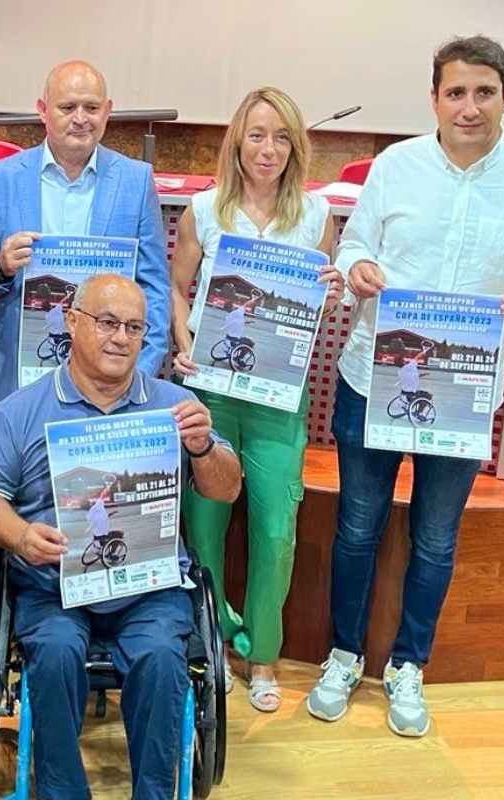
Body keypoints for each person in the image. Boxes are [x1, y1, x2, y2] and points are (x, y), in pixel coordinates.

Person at [307, 35, 504, 737]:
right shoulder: (395, 166)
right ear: (433, 98)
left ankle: (407, 666)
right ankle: (342, 654)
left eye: (482, 92)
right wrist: (360, 267)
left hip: (460, 391)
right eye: (454, 92)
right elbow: (354, 245)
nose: (468, 106)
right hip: (372, 377)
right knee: (357, 529)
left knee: (433, 538)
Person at [0, 274, 242, 799]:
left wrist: (205, 448)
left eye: (134, 327)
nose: (120, 338)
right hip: (55, 585)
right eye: (107, 322)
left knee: (163, 658)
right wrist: (22, 536)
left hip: (147, 588)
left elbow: (227, 490)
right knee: (54, 655)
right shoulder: (22, 409)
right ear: (72, 322)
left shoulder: (174, 404)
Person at [170, 87, 343, 713]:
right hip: (211, 390)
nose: (267, 150)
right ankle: (213, 635)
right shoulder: (205, 210)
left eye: (280, 138)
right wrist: (183, 339)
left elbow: (323, 299)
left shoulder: (317, 215)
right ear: (236, 143)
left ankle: (262, 653)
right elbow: (177, 287)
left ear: (296, 147)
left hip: (277, 397)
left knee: (275, 529)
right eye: (256, 136)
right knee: (204, 525)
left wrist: (330, 285)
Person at [0, 60, 170, 409]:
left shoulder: (136, 181)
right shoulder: (2, 178)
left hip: (110, 381)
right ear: (43, 111)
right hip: (18, 380)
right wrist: (0, 266)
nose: (80, 118)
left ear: (107, 112)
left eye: (91, 108)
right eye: (67, 107)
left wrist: (143, 369)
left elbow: (154, 286)